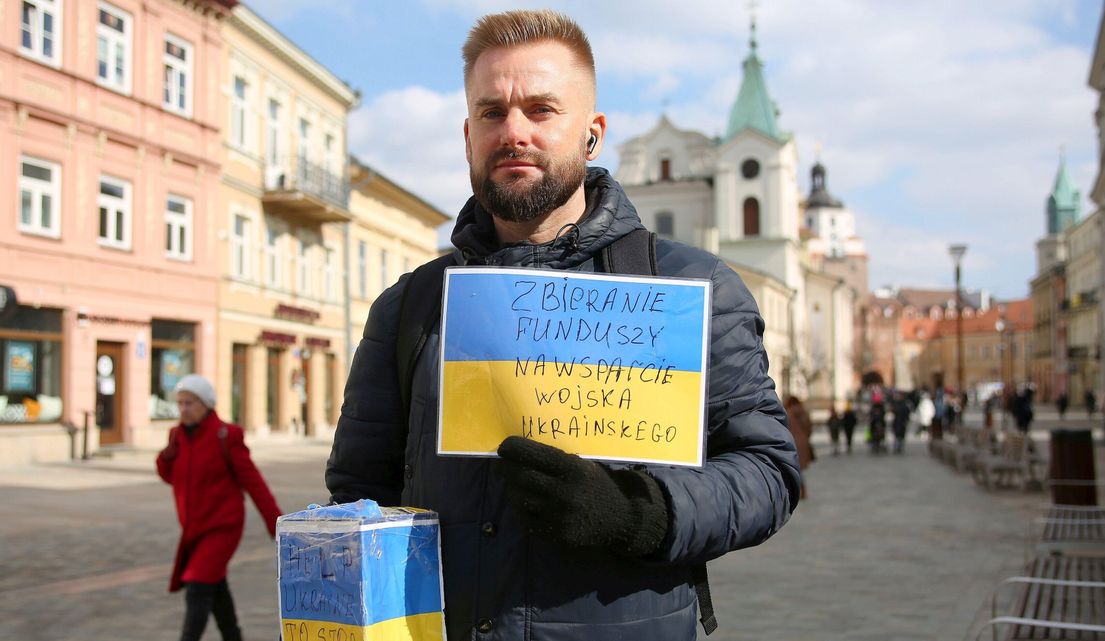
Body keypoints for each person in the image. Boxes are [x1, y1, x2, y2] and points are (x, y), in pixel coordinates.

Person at [325, 10, 799, 640]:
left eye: (542, 110)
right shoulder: (410, 306)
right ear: (469, 136)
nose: (514, 131)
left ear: (592, 134)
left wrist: (643, 515)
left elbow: (768, 471)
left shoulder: (693, 290)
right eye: (492, 113)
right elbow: (360, 495)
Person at [156, 375, 281, 641]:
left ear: (205, 404)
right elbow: (171, 476)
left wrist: (276, 523)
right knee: (215, 587)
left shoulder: (226, 435)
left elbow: (253, 482)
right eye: (180, 403)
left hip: (223, 527)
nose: (184, 409)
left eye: (190, 402)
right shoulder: (178, 436)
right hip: (194, 529)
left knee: (198, 586)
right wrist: (166, 456)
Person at [785, 396, 813, 499]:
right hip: (803, 442)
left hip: (791, 442)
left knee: (794, 468)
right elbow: (809, 427)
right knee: (797, 468)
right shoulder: (804, 412)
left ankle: (800, 489)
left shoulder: (787, 413)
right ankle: (801, 489)